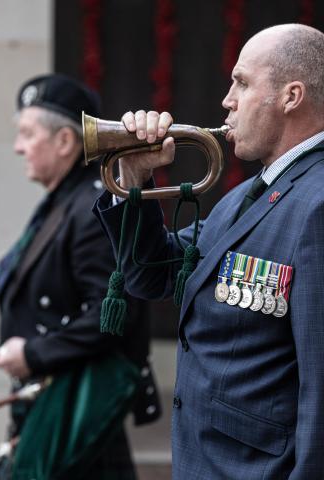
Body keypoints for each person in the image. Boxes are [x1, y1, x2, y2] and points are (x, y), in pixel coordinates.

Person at [93, 24, 324, 479]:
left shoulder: (317, 203)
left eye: (242, 82)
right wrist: (133, 178)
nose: (227, 101)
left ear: (290, 96)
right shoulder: (248, 195)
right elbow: (150, 275)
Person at [0, 73, 160, 479]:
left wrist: (33, 354)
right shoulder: (67, 202)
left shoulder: (91, 207)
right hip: (58, 407)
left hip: (77, 410)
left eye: (27, 135)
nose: (18, 147)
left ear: (64, 142)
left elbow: (114, 315)